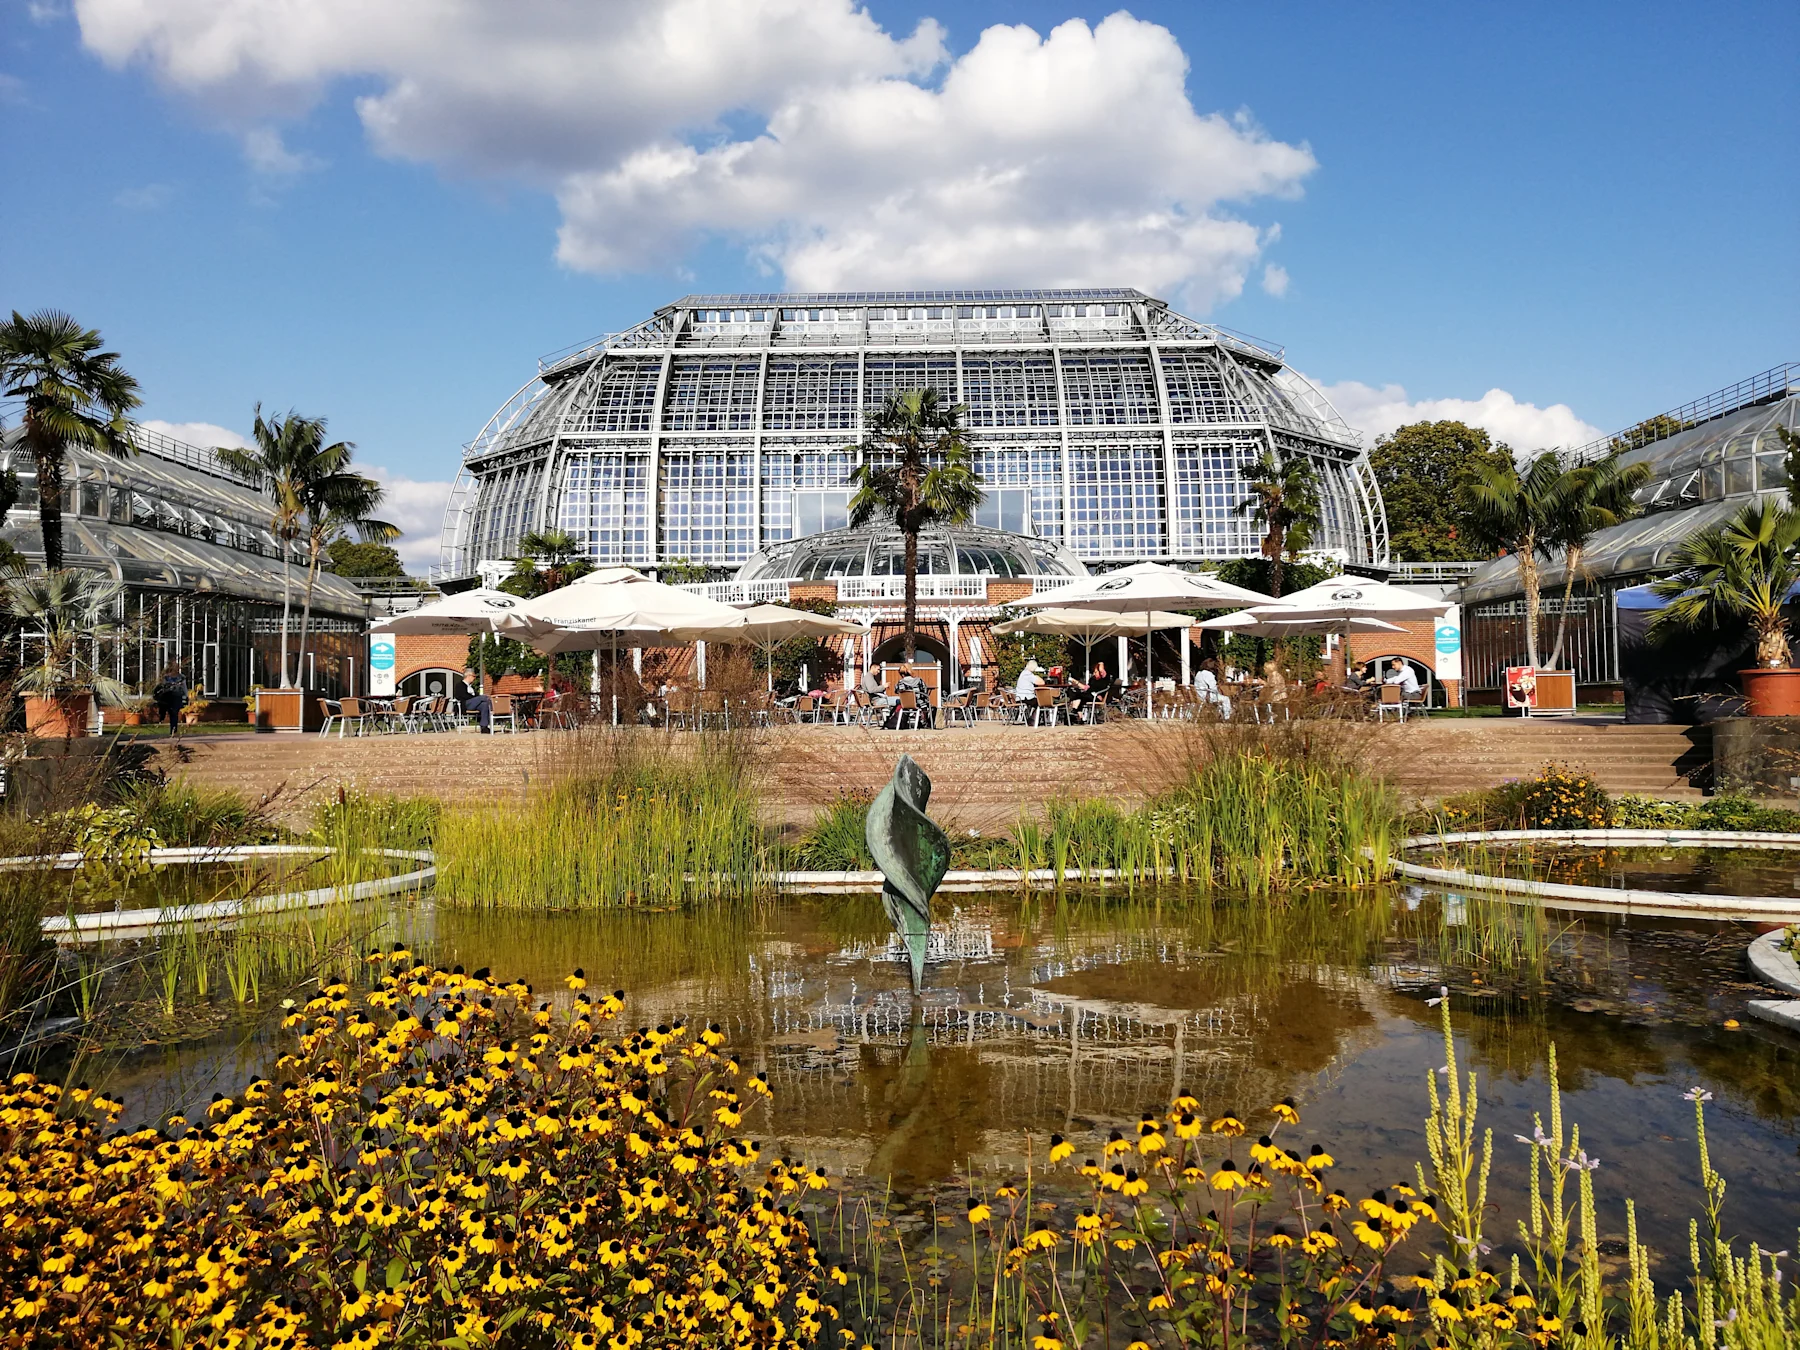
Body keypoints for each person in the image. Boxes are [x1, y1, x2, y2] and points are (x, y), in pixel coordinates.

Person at [151, 661, 189, 736]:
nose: (177, 669)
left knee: (174, 713)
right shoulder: (166, 677)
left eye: (178, 667)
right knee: (166, 710)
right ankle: (162, 717)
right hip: (168, 697)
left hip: (177, 697)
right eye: (175, 667)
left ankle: (173, 730)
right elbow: (162, 687)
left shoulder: (181, 677)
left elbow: (184, 687)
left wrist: (186, 696)